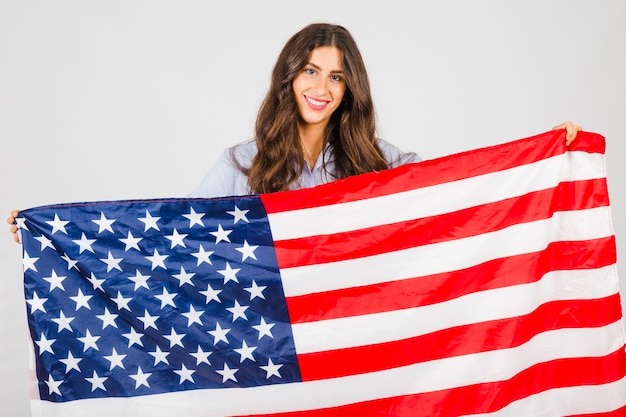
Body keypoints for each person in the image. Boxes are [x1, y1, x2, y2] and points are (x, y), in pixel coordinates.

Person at [7, 23, 582, 242]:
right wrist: (60, 232)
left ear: (349, 87)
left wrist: (543, 155)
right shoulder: (242, 161)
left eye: (336, 76)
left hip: (350, 331)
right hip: (275, 340)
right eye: (311, 70)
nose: (322, 87)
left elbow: (452, 186)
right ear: (290, 74)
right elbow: (177, 230)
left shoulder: (377, 157)